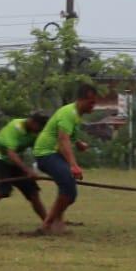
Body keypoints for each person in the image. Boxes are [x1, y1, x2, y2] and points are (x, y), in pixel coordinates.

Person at [0, 112, 51, 229]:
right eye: (40, 127)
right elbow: (10, 153)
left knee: (33, 192)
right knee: (3, 189)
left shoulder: (35, 134)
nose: (40, 130)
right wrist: (27, 170)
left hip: (13, 160)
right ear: (32, 122)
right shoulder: (15, 127)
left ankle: (47, 222)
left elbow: (38, 151)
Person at [34, 86, 97, 236]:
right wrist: (74, 165)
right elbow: (63, 140)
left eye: (94, 103)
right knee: (69, 191)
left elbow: (69, 135)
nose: (93, 106)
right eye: (91, 102)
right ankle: (47, 224)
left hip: (54, 154)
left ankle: (57, 224)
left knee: (66, 188)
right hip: (46, 153)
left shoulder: (75, 115)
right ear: (81, 100)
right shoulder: (68, 113)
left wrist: (79, 143)